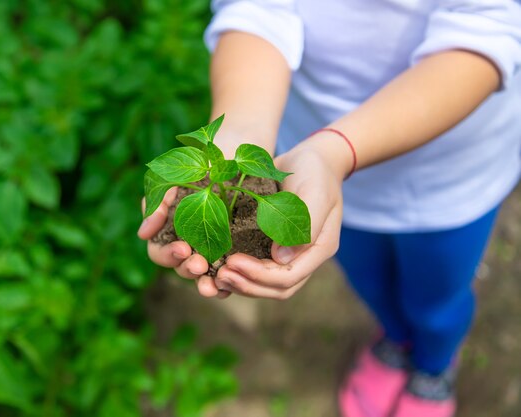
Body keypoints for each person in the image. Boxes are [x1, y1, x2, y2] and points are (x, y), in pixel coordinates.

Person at [138, 1, 521, 416]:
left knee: (436, 297)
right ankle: (394, 338)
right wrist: (239, 135)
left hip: (452, 180)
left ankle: (434, 364)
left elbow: (485, 30)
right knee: (368, 280)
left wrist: (339, 150)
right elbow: (255, 10)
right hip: (314, 166)